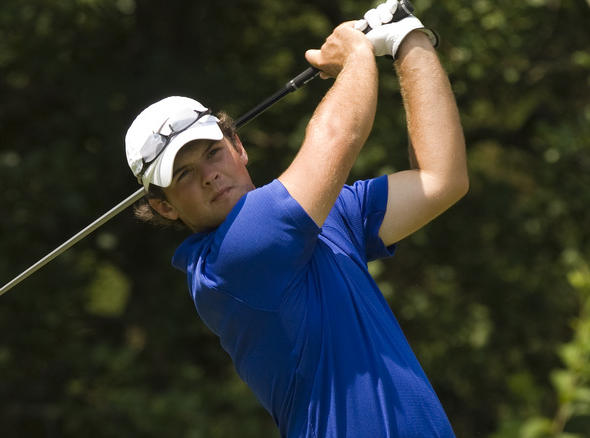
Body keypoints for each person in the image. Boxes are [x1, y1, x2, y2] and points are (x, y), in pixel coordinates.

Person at [124, 1, 468, 436]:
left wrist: (408, 40)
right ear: (164, 206)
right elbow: (338, 134)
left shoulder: (327, 216)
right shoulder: (229, 261)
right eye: (185, 174)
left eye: (212, 153)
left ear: (238, 147)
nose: (210, 176)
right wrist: (357, 53)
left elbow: (442, 179)